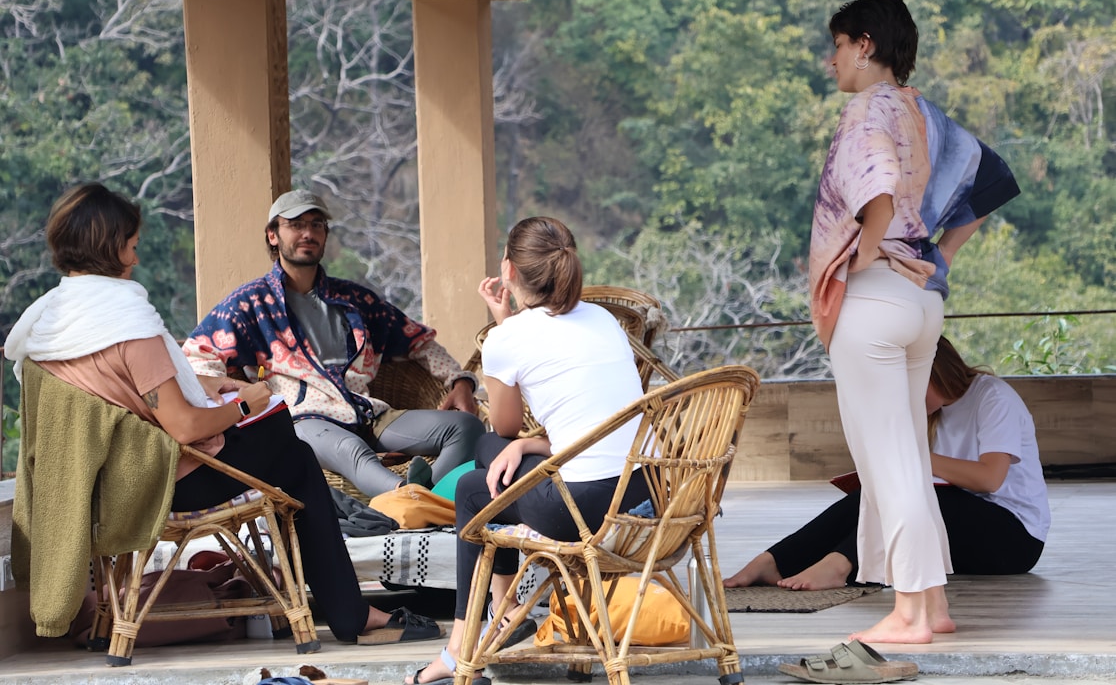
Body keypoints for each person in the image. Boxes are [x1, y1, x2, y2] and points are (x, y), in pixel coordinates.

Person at [4, 182, 441, 646]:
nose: (136, 255)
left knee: (285, 447)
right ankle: (353, 615)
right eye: (132, 243)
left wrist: (206, 385)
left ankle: (343, 606)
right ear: (111, 246)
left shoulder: (50, 324)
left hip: (101, 487)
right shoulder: (126, 323)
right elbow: (184, 426)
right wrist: (243, 405)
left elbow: (123, 384)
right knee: (294, 455)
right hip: (162, 485)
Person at [807, 0, 1019, 644]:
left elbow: (875, 191)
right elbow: (991, 177)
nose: (831, 60)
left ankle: (908, 612)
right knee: (907, 456)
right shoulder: (921, 111)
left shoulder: (865, 110)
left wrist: (869, 252)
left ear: (864, 45)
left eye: (838, 46)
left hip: (874, 300)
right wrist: (939, 256)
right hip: (921, 302)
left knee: (890, 460)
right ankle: (932, 605)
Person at [405, 216, 653, 685]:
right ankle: (503, 606)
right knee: (496, 456)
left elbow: (505, 425)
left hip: (583, 510)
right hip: (646, 496)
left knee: (477, 482)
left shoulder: (507, 340)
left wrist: (505, 332)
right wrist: (526, 444)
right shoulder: (604, 319)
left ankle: (463, 646)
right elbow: (588, 423)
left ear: (509, 270)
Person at [183, 189, 485, 498]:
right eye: (296, 224)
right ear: (273, 235)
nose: (308, 233)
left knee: (465, 427)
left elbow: (418, 341)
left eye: (316, 224)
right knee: (352, 449)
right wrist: (238, 396)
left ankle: (424, 499)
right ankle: (414, 498)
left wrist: (460, 381)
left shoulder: (355, 300)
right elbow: (196, 356)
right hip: (304, 419)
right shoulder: (250, 305)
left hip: (367, 413)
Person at [725, 336, 1050, 591]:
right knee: (868, 498)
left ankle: (840, 566)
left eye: (911, 386)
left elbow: (990, 479)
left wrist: (919, 459)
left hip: (1015, 540)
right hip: (959, 528)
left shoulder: (993, 397)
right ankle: (774, 562)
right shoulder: (931, 414)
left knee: (932, 499)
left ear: (935, 371)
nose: (906, 396)